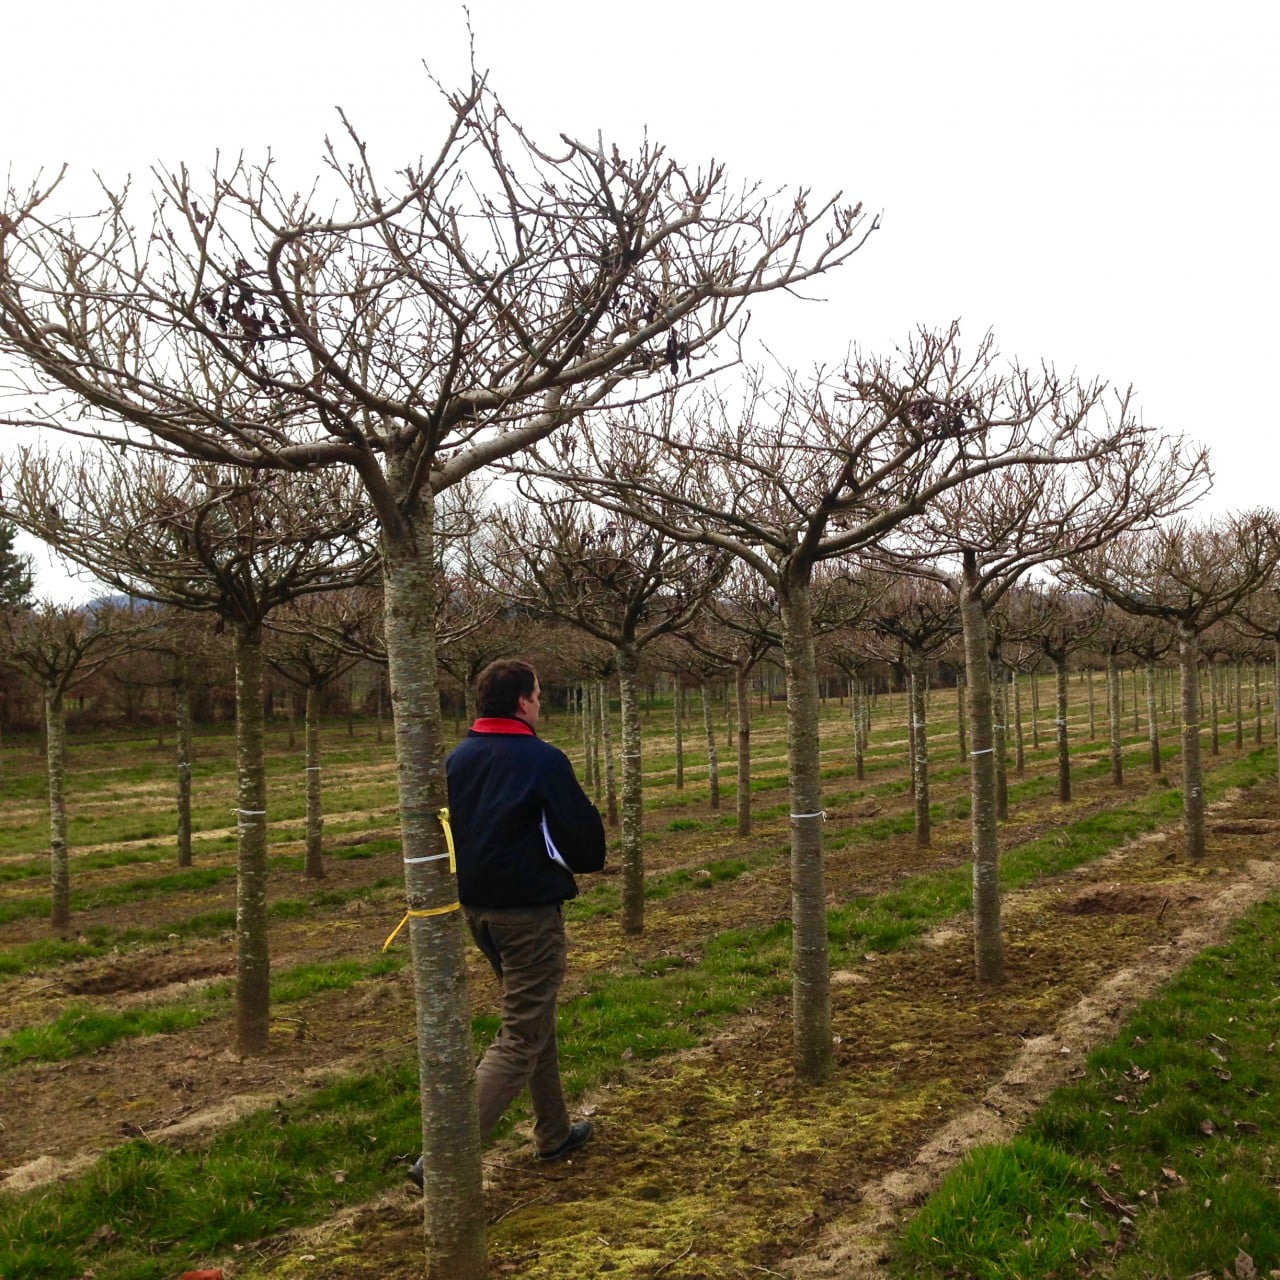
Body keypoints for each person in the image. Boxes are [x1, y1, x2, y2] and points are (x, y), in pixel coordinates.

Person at [409, 658, 606, 1186]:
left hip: (479, 914)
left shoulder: (457, 759)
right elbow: (587, 846)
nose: (541, 704)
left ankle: (554, 1131)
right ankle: (446, 1155)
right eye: (538, 695)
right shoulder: (541, 760)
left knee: (532, 1019)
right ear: (522, 702)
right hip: (528, 917)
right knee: (521, 1035)